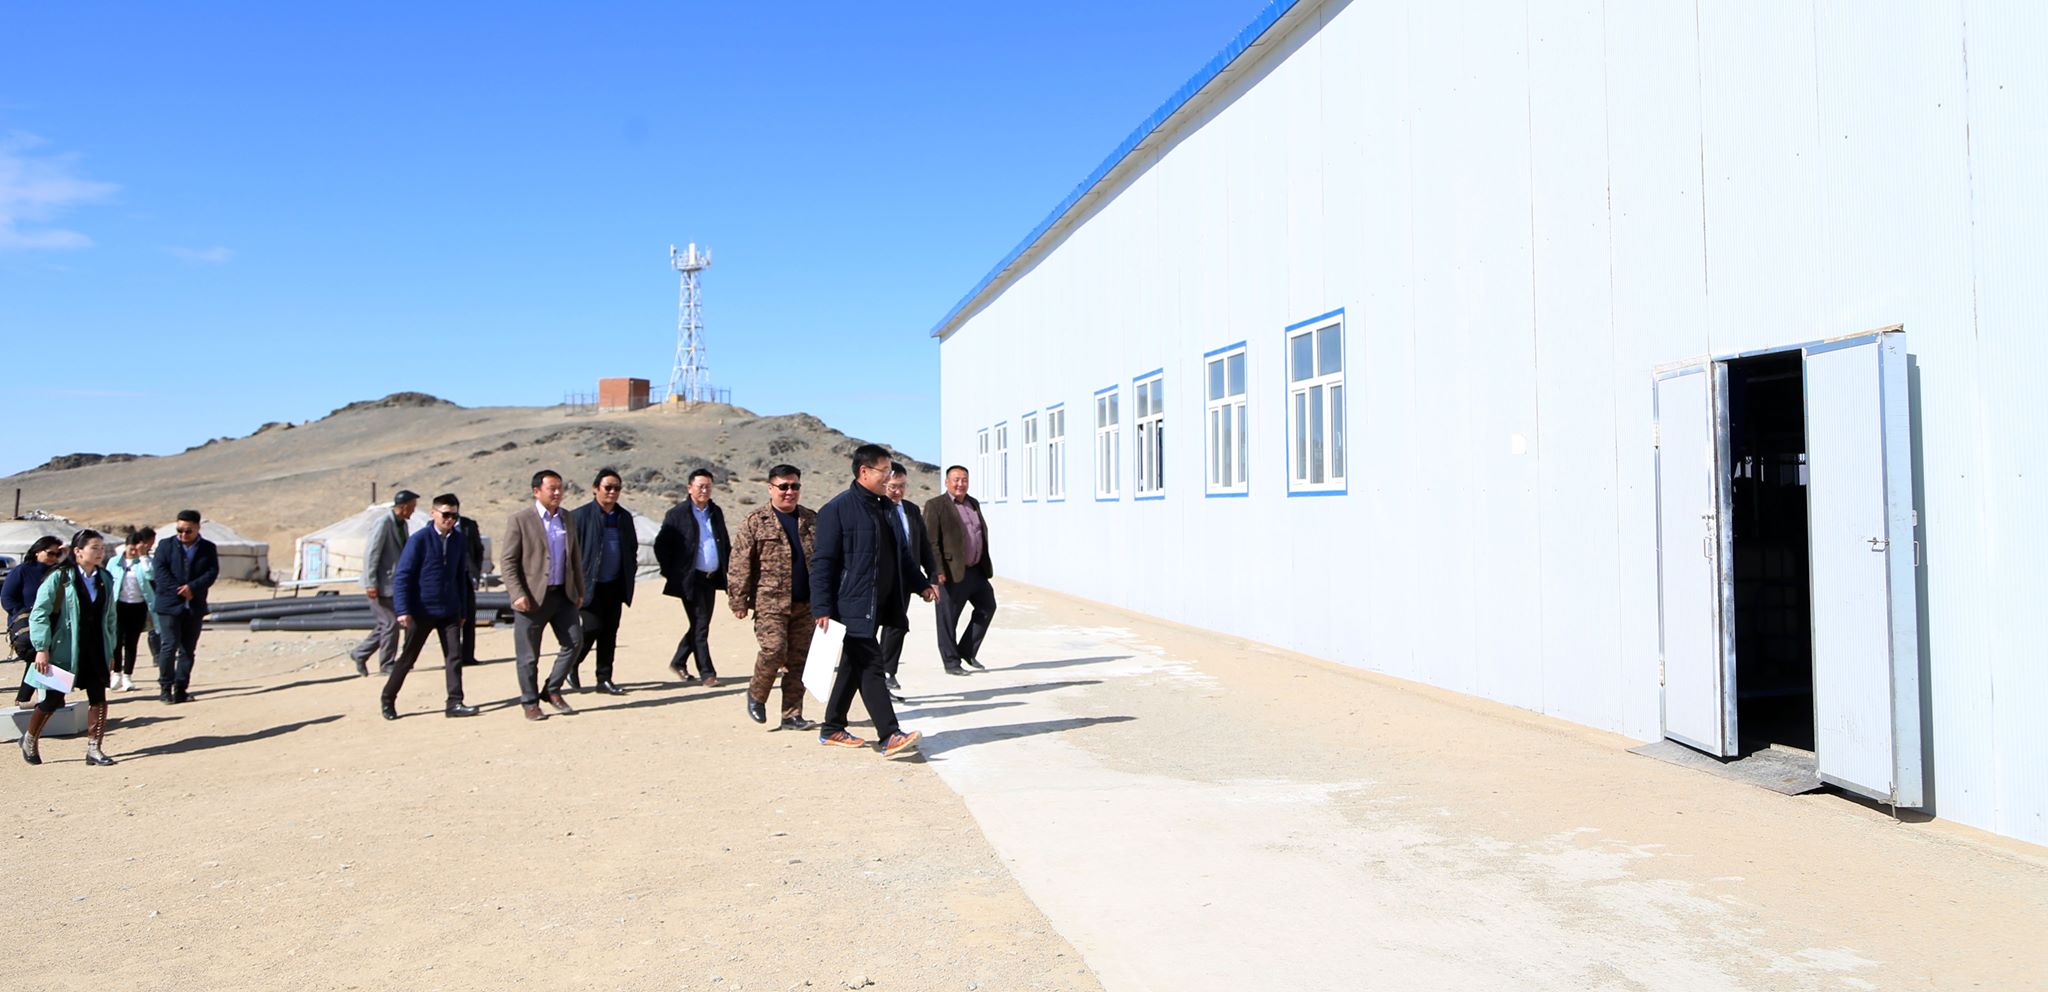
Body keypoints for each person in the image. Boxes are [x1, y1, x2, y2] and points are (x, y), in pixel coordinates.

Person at [811, 445, 935, 758]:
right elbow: (823, 562)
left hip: (880, 602)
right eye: (884, 471)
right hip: (851, 604)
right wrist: (821, 606)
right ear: (864, 472)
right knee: (870, 664)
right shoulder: (836, 510)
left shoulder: (887, 508)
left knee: (853, 666)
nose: (889, 478)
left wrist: (921, 584)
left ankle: (832, 727)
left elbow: (903, 556)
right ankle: (889, 734)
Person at [726, 464, 817, 731]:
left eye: (795, 486)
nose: (789, 492)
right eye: (783, 486)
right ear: (770, 488)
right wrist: (738, 600)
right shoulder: (756, 521)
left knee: (799, 660)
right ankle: (757, 694)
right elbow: (739, 562)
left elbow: (825, 560)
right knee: (774, 650)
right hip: (770, 602)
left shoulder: (812, 520)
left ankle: (791, 714)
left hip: (806, 603)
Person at [20, 529, 120, 766]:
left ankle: (94, 749)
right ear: (78, 551)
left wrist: (111, 650)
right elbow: (40, 613)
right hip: (63, 649)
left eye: (102, 548)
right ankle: (29, 739)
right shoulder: (60, 577)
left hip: (96, 648)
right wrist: (42, 648)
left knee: (98, 697)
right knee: (53, 699)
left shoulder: (105, 578)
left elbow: (111, 617)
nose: (100, 553)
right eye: (94, 548)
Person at [381, 494, 480, 719]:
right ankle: (388, 698)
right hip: (422, 610)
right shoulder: (419, 540)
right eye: (445, 514)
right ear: (433, 513)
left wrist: (462, 610)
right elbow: (403, 576)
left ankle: (454, 702)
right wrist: (403, 610)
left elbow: (460, 577)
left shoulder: (458, 540)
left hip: (450, 610)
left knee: (454, 656)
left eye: (454, 516)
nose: (450, 519)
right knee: (408, 658)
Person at [501, 470, 584, 721]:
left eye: (560, 488)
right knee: (528, 655)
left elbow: (574, 557)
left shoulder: (567, 518)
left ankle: (552, 689)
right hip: (532, 597)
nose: (557, 493)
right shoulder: (520, 520)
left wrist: (579, 590)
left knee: (574, 642)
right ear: (537, 491)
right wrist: (517, 593)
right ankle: (530, 702)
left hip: (563, 594)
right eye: (552, 489)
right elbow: (508, 561)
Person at [655, 468, 729, 687]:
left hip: (711, 578)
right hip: (690, 578)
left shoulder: (715, 512)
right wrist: (672, 572)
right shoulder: (677, 514)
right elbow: (661, 546)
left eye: (708, 487)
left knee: (700, 623)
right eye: (700, 486)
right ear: (690, 488)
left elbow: (723, 541)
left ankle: (679, 661)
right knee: (701, 624)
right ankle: (707, 672)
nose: (704, 491)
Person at [568, 468, 638, 695]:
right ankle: (571, 664)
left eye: (617, 488)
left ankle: (604, 678)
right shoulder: (579, 517)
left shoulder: (624, 517)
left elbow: (631, 548)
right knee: (591, 627)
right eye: (608, 487)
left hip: (615, 583)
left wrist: (629, 571)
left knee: (610, 631)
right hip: (589, 584)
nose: (612, 492)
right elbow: (569, 552)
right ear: (595, 488)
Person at [924, 465, 997, 675]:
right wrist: (937, 571)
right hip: (950, 572)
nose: (960, 484)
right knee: (948, 619)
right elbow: (931, 542)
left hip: (976, 570)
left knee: (987, 607)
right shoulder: (935, 505)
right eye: (956, 479)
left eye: (964, 479)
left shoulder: (973, 503)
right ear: (946, 482)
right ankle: (951, 662)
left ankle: (967, 650)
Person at [877, 463, 940, 700]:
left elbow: (924, 546)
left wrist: (932, 578)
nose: (898, 491)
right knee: (871, 630)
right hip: (880, 580)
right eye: (893, 486)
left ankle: (888, 672)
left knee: (897, 625)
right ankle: (872, 677)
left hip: (906, 579)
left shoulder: (911, 510)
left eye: (902, 486)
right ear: (884, 484)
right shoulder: (876, 509)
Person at [152, 510, 218, 704]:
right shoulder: (165, 545)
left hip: (194, 606)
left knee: (188, 650)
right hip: (169, 605)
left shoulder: (208, 548)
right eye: (179, 530)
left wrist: (193, 588)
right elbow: (160, 571)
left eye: (188, 531)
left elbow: (212, 572)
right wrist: (180, 590)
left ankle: (181, 688)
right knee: (169, 645)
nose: (183, 534)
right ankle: (165, 688)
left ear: (198, 528)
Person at [349, 490, 417, 677]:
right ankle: (386, 664)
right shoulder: (383, 523)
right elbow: (372, 554)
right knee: (390, 624)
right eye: (412, 507)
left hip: (395, 584)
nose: (413, 511)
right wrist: (371, 583)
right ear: (403, 507)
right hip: (380, 583)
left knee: (387, 624)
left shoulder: (402, 525)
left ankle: (360, 653)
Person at [7, 536, 64, 708]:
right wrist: (23, 616)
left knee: (50, 658)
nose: (54, 557)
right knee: (37, 657)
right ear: (37, 551)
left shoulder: (58, 572)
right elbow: (7, 597)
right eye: (50, 553)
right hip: (28, 624)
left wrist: (65, 557)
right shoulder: (22, 571)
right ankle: (43, 698)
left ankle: (43, 698)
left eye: (57, 554)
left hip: (54, 623)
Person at [106, 527, 158, 692]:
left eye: (138, 549)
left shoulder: (144, 562)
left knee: (131, 642)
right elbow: (107, 581)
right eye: (132, 549)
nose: (134, 552)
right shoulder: (115, 562)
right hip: (118, 606)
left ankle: (128, 676)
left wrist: (143, 556)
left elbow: (150, 575)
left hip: (138, 606)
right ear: (126, 546)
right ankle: (116, 673)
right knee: (116, 641)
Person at [451, 497, 485, 667]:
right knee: (451, 620)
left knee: (469, 617)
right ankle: (453, 656)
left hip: (467, 577)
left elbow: (478, 549)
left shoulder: (468, 525)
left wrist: (476, 571)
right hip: (449, 579)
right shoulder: (433, 526)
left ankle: (468, 655)